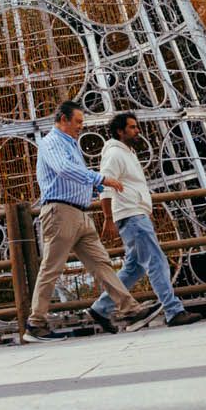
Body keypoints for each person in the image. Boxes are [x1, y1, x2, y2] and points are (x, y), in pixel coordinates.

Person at [25, 101, 154, 337]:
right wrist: (101, 179)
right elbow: (64, 169)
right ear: (63, 119)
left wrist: (95, 190)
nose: (81, 127)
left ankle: (129, 309)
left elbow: (74, 178)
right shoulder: (52, 142)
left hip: (80, 214)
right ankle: (36, 324)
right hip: (60, 213)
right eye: (78, 122)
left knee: (101, 264)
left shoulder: (71, 144)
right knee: (51, 269)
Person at [94, 115, 200, 329]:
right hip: (131, 216)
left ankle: (101, 307)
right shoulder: (114, 154)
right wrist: (108, 218)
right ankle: (173, 311)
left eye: (137, 127)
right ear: (120, 131)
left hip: (136, 214)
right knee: (157, 262)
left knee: (134, 269)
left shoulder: (127, 153)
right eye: (132, 127)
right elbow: (104, 186)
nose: (137, 131)